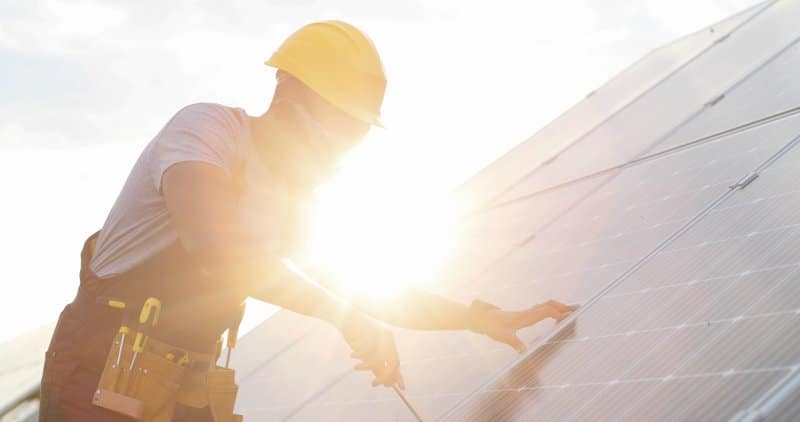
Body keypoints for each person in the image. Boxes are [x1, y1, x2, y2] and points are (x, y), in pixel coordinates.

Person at [40, 20, 577, 421]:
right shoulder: (206, 132)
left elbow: (365, 290)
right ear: (288, 92)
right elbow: (220, 252)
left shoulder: (290, 198)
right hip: (97, 379)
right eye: (338, 124)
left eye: (356, 133)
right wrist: (343, 316)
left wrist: (479, 316)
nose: (343, 146)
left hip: (185, 391)